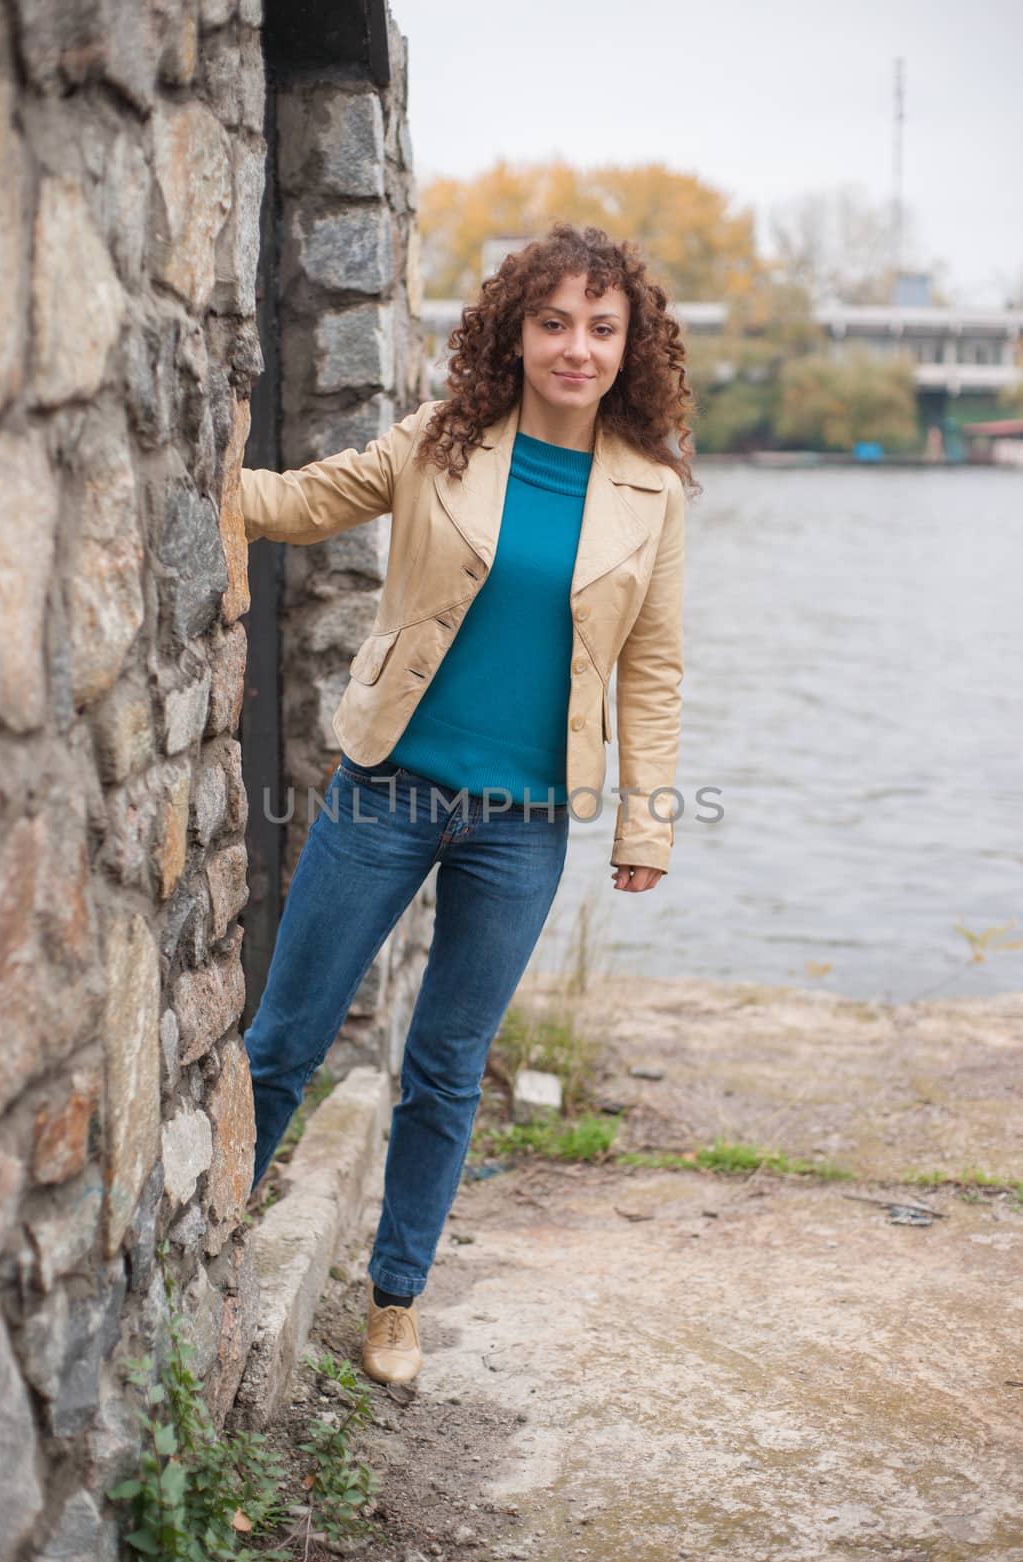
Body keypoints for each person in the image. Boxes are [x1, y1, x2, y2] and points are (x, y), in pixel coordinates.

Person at [239, 220, 696, 1384]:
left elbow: (651, 665)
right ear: (514, 331)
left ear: (630, 343)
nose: (576, 347)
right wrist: (180, 473)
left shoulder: (650, 491)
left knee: (446, 1064)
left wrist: (645, 823)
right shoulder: (440, 443)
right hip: (383, 791)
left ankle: (396, 1299)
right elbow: (295, 503)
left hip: (524, 826)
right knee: (286, 1036)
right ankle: (208, 1228)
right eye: (553, 323)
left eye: (601, 327)